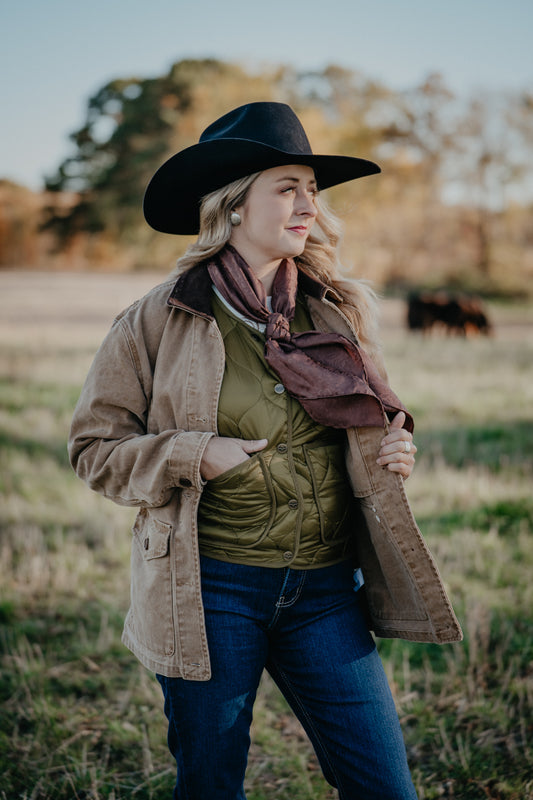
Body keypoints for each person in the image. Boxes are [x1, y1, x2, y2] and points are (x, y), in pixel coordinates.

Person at [69, 102, 462, 800]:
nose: (306, 204)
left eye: (311, 189)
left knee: (386, 789)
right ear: (231, 206)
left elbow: (375, 418)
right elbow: (95, 450)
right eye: (286, 187)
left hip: (325, 591)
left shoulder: (333, 309)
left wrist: (395, 448)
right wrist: (194, 453)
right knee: (212, 785)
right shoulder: (157, 319)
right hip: (211, 589)